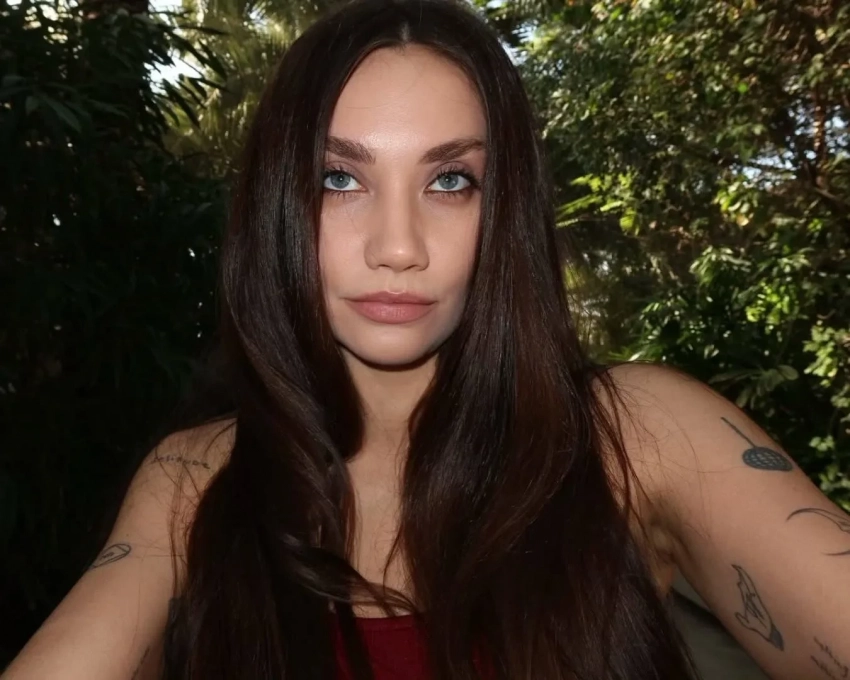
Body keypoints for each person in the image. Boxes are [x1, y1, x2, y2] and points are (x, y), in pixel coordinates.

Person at [4, 0, 849, 678]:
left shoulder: (641, 436)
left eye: (450, 181)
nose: (398, 247)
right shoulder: (195, 480)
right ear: (276, 205)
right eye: (339, 178)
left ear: (503, 210)